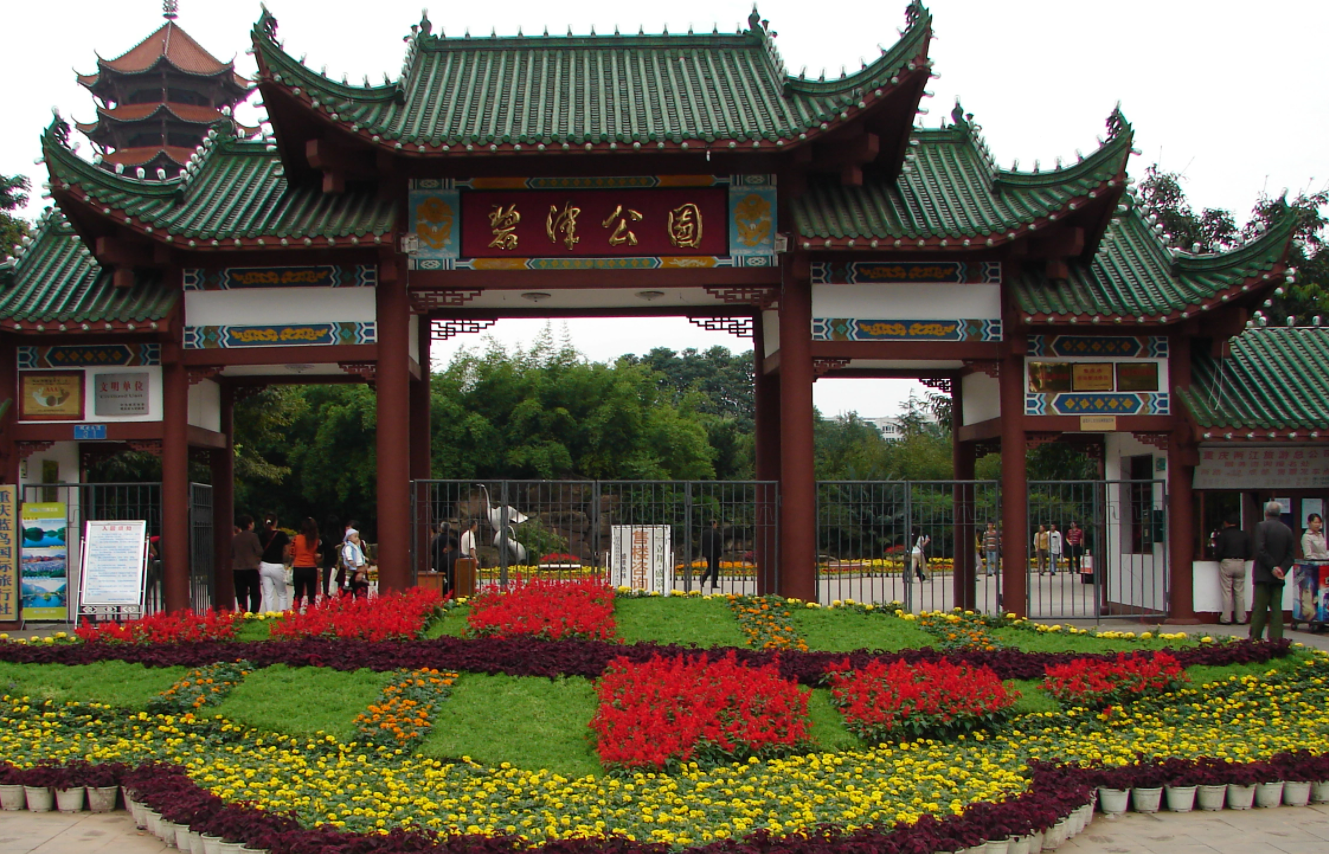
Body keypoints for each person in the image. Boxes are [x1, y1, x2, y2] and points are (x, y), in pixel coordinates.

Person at [1252, 500, 1295, 640]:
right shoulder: (1287, 530)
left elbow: (1260, 550)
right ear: (1280, 514)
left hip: (1263, 574)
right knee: (1277, 608)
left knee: (1259, 608)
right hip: (1279, 577)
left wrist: (1272, 567)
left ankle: (1255, 638)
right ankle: (1276, 639)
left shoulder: (1261, 526)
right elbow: (1290, 556)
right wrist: (1281, 569)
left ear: (1266, 513)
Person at [1214, 512, 1253, 625]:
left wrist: (1220, 559)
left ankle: (1226, 618)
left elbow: (1218, 552)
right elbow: (1249, 551)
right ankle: (1241, 618)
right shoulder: (1244, 535)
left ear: (1226, 523)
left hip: (1227, 562)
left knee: (1226, 591)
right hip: (1240, 562)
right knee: (1239, 592)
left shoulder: (1222, 535)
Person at [1297, 513, 1328, 622]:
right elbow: (1308, 555)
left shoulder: (1320, 535)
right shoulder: (1306, 537)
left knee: (1322, 593)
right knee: (1311, 593)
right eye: (1315, 522)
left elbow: (1324, 551)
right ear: (1309, 523)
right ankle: (1311, 616)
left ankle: (1322, 616)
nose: (1317, 524)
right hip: (1311, 568)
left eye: (1319, 522)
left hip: (1323, 568)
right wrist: (1321, 557)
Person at [257, 515, 291, 613]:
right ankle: (282, 613)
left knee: (268, 593)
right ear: (275, 522)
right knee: (281, 593)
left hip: (264, 565)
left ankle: (269, 613)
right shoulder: (282, 535)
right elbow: (286, 551)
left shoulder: (261, 535)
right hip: (277, 565)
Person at [231, 515, 262, 614]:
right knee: (255, 593)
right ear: (249, 524)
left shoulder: (235, 538)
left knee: (241, 594)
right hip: (251, 567)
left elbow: (231, 553)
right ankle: (253, 613)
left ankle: (243, 612)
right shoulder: (253, 537)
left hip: (238, 568)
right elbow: (259, 551)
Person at [290, 517, 320, 612]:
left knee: (298, 593)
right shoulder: (315, 540)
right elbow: (317, 555)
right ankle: (311, 612)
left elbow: (292, 553)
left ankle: (296, 611)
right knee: (311, 593)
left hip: (298, 567)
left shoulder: (296, 538)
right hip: (311, 567)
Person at [342, 528, 370, 598]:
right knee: (346, 599)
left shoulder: (363, 545)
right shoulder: (346, 546)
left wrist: (362, 572)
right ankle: (346, 584)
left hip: (361, 575)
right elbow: (341, 561)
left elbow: (369, 559)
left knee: (361, 598)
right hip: (348, 572)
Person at [320, 514, 342, 599]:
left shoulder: (324, 537)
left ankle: (326, 604)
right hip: (339, 566)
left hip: (327, 565)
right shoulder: (342, 537)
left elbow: (319, 553)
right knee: (339, 590)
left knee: (327, 589)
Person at [699, 519, 723, 590]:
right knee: (714, 568)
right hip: (715, 553)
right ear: (714, 524)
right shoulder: (715, 533)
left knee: (710, 567)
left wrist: (703, 552)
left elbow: (702, 543)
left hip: (707, 553)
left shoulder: (704, 533)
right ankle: (712, 582)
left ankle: (704, 578)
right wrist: (719, 554)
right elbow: (717, 545)